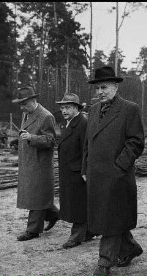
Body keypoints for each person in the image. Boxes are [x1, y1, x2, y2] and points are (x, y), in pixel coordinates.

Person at [81, 66, 145, 276]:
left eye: (105, 87)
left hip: (118, 176)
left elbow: (136, 142)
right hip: (96, 176)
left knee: (110, 218)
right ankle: (130, 248)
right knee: (111, 217)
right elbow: (88, 143)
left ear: (116, 87)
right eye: (98, 88)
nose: (100, 91)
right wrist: (85, 168)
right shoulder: (93, 110)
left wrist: (119, 167)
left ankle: (104, 262)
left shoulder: (129, 109)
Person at [12, 85, 59, 241]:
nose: (21, 107)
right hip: (29, 162)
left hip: (40, 164)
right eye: (20, 104)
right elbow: (26, 132)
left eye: (24, 103)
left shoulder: (46, 116)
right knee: (38, 195)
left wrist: (32, 138)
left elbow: (51, 141)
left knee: (36, 196)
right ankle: (53, 214)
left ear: (33, 100)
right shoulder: (27, 114)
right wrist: (18, 140)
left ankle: (33, 230)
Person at [56, 93, 96, 249]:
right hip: (70, 170)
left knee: (78, 204)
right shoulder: (70, 122)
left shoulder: (82, 123)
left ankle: (77, 236)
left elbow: (87, 149)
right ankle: (89, 231)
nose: (64, 110)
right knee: (75, 203)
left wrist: (84, 170)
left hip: (78, 171)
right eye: (62, 107)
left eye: (68, 107)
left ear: (76, 108)